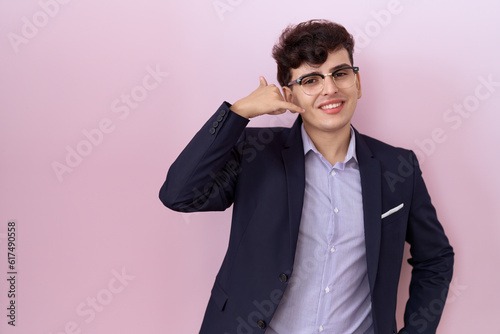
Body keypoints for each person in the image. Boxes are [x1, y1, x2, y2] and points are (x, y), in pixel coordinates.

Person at [159, 19, 454, 334]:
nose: (330, 89)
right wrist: (239, 112)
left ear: (358, 83)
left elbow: (435, 258)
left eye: (340, 73)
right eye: (311, 79)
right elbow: (179, 194)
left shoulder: (397, 166)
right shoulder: (255, 152)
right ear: (289, 95)